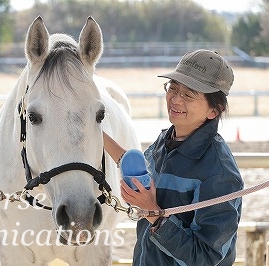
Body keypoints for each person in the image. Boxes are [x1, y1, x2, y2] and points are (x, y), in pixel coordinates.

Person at [103, 49, 244, 265]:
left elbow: (206, 258)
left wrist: (155, 216)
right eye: (173, 88)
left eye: (188, 95)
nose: (175, 99)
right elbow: (135, 166)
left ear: (214, 110)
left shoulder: (220, 174)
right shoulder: (166, 140)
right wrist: (94, 132)